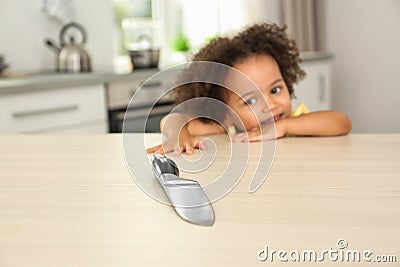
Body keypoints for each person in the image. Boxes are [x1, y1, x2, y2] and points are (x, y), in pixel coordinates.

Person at [146, 23, 352, 155]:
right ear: (226, 112)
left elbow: (342, 122)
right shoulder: (228, 129)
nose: (270, 105)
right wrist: (178, 135)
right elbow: (170, 119)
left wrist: (285, 126)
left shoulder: (295, 121)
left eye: (275, 90)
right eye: (250, 101)